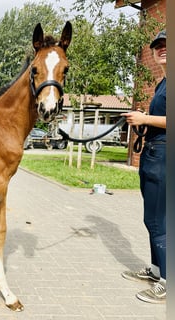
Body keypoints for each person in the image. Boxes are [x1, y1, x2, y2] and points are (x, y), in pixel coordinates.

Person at [120, 29, 166, 304]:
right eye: (157, 46)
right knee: (153, 219)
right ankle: (157, 270)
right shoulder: (163, 83)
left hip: (163, 157)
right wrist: (143, 118)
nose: (161, 49)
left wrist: (145, 119)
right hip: (152, 154)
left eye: (166, 45)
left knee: (158, 221)